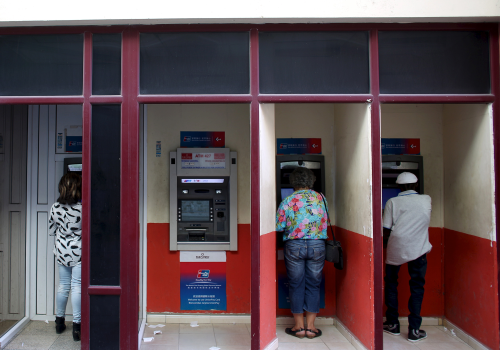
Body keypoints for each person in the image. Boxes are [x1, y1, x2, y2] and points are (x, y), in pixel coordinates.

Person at [276, 167, 328, 339]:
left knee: (296, 283)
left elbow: (279, 226)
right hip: (317, 245)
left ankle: (298, 327)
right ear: (311, 181)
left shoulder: (287, 200)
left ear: (293, 182)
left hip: (294, 245)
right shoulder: (321, 198)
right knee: (314, 283)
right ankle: (311, 328)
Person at [382, 172, 432, 342]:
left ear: (399, 187)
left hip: (396, 247)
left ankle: (393, 323)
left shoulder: (392, 202)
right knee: (417, 286)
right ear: (416, 185)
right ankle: (414, 329)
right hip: (419, 248)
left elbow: (386, 229)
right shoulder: (426, 199)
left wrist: (385, 245)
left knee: (391, 284)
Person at [49, 173, 82, 341]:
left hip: (61, 251)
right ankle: (77, 327)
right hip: (78, 252)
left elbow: (51, 230)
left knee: (63, 286)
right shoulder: (82, 208)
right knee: (77, 287)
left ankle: (59, 322)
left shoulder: (55, 207)